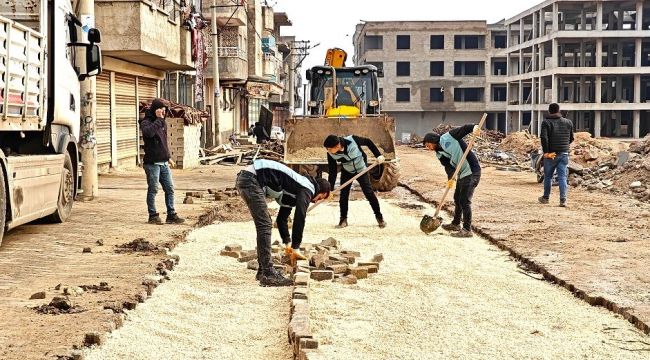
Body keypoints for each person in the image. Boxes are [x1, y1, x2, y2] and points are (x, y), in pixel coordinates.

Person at [236, 159, 331, 287]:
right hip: (252, 179)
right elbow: (300, 216)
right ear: (321, 192)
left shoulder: (294, 189)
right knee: (264, 224)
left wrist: (288, 244)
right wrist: (296, 247)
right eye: (319, 198)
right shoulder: (307, 187)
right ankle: (268, 273)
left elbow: (282, 219)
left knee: (265, 223)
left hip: (249, 178)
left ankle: (262, 270)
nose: (315, 201)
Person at [422, 124, 481, 238]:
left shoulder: (449, 137)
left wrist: (473, 128)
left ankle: (467, 229)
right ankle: (456, 224)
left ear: (433, 140)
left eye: (428, 145)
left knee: (465, 201)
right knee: (457, 199)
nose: (428, 149)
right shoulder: (439, 154)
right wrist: (450, 179)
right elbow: (448, 167)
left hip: (472, 171)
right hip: (462, 174)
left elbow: (463, 129)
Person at [323, 135, 386, 229]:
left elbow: (368, 141)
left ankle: (379, 217)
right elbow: (332, 172)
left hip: (361, 169)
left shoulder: (352, 140)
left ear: (337, 146)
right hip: (347, 171)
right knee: (344, 194)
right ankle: (343, 220)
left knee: (369, 193)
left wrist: (378, 155)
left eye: (329, 149)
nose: (328, 151)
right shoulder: (331, 154)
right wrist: (330, 190)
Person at [140, 98, 185, 225]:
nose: (163, 113)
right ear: (155, 110)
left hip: (164, 163)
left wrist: (168, 157)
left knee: (170, 188)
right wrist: (158, 119)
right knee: (153, 189)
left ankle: (171, 214)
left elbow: (163, 142)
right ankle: (152, 215)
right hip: (152, 164)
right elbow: (148, 133)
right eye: (161, 110)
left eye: (165, 111)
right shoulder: (146, 122)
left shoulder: (163, 123)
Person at [539, 103, 574, 207]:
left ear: (549, 111)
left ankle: (546, 198)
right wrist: (564, 147)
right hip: (564, 153)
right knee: (562, 177)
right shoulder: (568, 122)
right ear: (559, 110)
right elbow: (571, 138)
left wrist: (546, 152)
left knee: (548, 176)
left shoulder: (546, 122)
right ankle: (563, 200)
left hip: (551, 154)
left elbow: (544, 138)